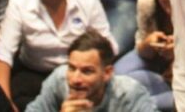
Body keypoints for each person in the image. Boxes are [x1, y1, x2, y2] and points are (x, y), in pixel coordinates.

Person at [0, 0, 115, 110]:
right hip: (34, 75)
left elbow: (106, 45)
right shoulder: (18, 3)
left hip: (78, 75)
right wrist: (5, 102)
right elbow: (3, 52)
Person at [25, 29, 156, 112]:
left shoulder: (129, 93)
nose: (75, 79)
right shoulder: (58, 80)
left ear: (107, 73)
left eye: (87, 71)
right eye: (71, 68)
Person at [114, 0, 174, 110]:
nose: (169, 9)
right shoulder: (148, 0)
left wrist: (180, 53)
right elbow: (142, 50)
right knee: (117, 78)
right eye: (165, 2)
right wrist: (148, 43)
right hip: (157, 58)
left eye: (175, 3)